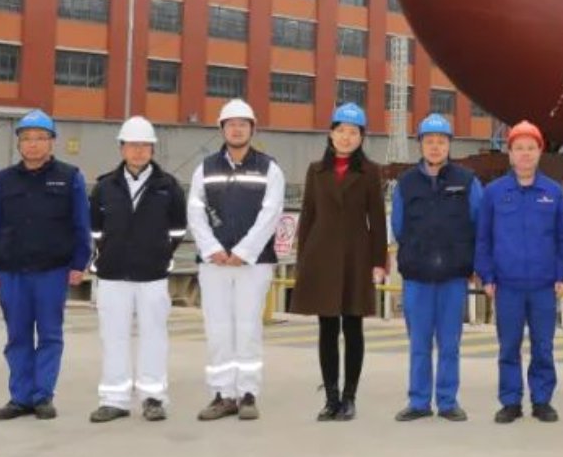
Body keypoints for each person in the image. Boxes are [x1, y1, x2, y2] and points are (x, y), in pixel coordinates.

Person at [0, 109, 92, 421]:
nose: (33, 144)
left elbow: (81, 224)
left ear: (51, 142)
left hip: (52, 270)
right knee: (17, 336)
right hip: (12, 270)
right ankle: (20, 397)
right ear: (19, 144)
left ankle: (43, 396)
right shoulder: (3, 180)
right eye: (27, 138)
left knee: (49, 335)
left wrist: (79, 262)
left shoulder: (70, 177)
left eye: (40, 138)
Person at [187, 99, 286, 422]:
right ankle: (222, 394)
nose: (237, 129)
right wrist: (211, 248)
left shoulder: (269, 168)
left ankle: (247, 393)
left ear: (252, 129)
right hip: (213, 262)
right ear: (222, 129)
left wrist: (244, 251)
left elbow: (271, 213)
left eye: (243, 124)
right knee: (217, 328)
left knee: (248, 327)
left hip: (254, 263)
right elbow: (195, 211)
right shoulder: (205, 168)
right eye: (231, 124)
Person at [291, 103, 388, 422]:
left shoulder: (370, 172)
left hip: (356, 257)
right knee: (327, 327)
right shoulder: (315, 170)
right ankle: (331, 398)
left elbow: (377, 221)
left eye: (353, 132)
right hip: (321, 256)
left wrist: (378, 262)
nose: (346, 137)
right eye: (341, 131)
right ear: (331, 134)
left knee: (353, 326)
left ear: (361, 137)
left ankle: (349, 398)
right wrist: (303, 260)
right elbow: (308, 216)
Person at [88, 117, 187, 423]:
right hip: (112, 274)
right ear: (122, 148)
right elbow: (94, 229)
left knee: (154, 336)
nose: (139, 151)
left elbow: (178, 228)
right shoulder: (105, 187)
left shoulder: (168, 187)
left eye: (145, 145)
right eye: (133, 145)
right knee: (113, 337)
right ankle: (114, 399)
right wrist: (106, 252)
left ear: (153, 149)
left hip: (152, 275)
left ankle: (153, 397)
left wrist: (161, 254)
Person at [476, 121, 563, 423]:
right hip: (507, 286)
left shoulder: (553, 192)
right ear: (510, 154)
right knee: (509, 347)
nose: (525, 154)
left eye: (531, 148)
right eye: (519, 148)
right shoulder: (494, 193)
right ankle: (510, 401)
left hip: (544, 285)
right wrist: (487, 276)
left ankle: (542, 400)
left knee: (543, 346)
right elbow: (483, 238)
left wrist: (561, 274)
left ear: (540, 152)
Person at [391, 112, 483, 422]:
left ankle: (447, 401)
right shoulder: (406, 184)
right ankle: (418, 401)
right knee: (419, 343)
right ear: (420, 144)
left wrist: (472, 263)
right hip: (417, 276)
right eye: (429, 141)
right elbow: (398, 226)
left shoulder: (467, 181)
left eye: (441, 141)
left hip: (453, 276)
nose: (435, 147)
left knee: (449, 343)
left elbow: (479, 223)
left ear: (449, 145)